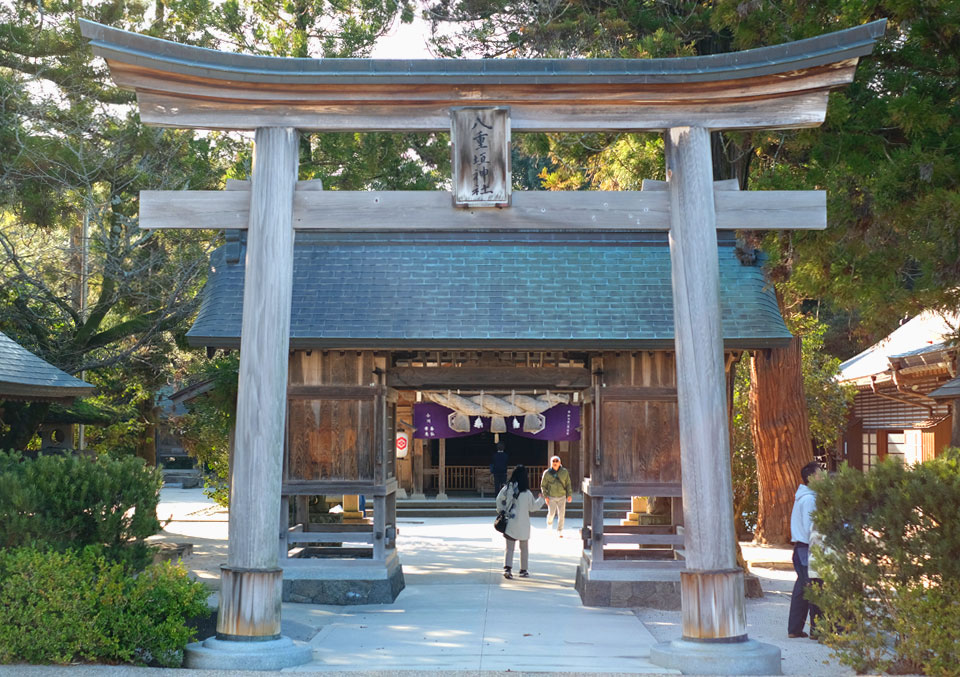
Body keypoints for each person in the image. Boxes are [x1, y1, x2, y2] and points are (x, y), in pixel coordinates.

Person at [788, 460, 822, 638]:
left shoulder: (806, 496)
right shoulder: (809, 499)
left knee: (802, 589)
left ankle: (794, 629)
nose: (822, 477)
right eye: (819, 475)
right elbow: (812, 527)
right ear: (811, 478)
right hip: (806, 548)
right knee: (814, 587)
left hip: (802, 548)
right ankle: (817, 629)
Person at [496, 465, 544, 579]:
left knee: (509, 548)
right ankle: (523, 570)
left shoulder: (508, 488)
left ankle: (507, 568)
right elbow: (533, 507)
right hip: (523, 524)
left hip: (511, 522)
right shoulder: (527, 493)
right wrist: (541, 499)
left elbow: (498, 499)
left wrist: (501, 511)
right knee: (524, 548)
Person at [540, 455, 573, 537]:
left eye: (556, 461)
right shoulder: (547, 473)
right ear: (551, 463)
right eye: (553, 461)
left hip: (562, 496)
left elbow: (568, 484)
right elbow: (543, 485)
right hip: (551, 496)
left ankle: (560, 530)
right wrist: (546, 496)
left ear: (560, 463)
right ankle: (549, 524)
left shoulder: (564, 472)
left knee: (561, 514)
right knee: (551, 513)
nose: (555, 463)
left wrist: (569, 495)